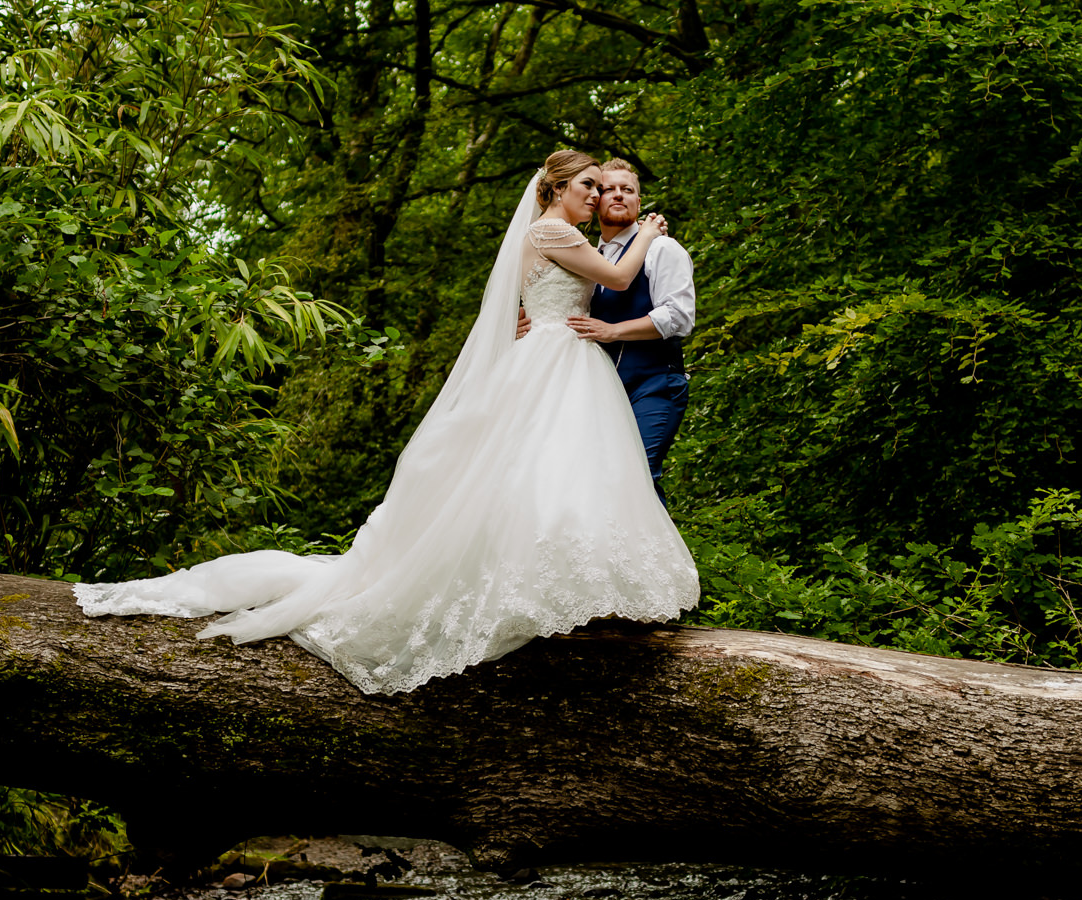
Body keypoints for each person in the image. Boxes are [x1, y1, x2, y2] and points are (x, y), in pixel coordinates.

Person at [70, 150, 701, 696]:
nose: (597, 194)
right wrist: (647, 231)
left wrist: (545, 315)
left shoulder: (564, 236)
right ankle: (536, 594)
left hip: (563, 354)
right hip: (559, 359)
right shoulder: (553, 232)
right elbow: (616, 277)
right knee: (539, 471)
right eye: (587, 185)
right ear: (555, 189)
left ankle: (573, 595)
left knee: (558, 473)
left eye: (602, 185)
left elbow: (554, 296)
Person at [526, 160, 695, 502]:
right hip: (596, 392)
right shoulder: (587, 256)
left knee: (637, 483)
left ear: (638, 202)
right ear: (595, 201)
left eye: (628, 189)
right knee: (590, 485)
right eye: (607, 189)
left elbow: (679, 316)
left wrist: (614, 331)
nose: (617, 195)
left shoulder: (660, 248)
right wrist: (530, 319)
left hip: (654, 384)